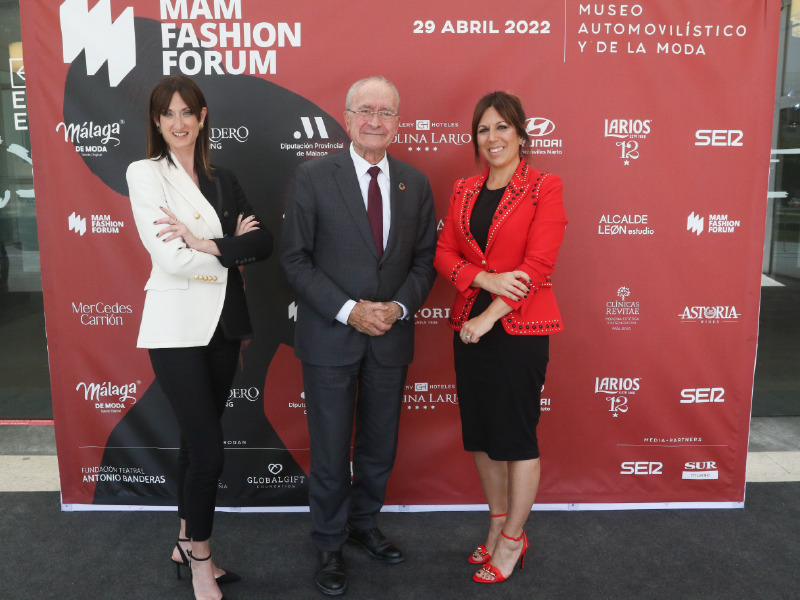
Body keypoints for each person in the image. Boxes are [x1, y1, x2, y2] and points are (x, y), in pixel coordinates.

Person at [280, 76, 437, 596]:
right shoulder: (313, 176)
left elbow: (424, 262)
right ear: (347, 118)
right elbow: (295, 260)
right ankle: (328, 543)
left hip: (390, 337)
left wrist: (396, 307)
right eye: (366, 110)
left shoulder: (415, 182)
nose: (375, 120)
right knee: (329, 450)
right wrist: (350, 312)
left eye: (386, 112)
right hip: (330, 337)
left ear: (398, 123)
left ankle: (363, 524)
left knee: (379, 446)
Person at [126, 75, 273, 600]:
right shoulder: (146, 173)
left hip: (223, 326)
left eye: (187, 111)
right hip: (175, 327)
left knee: (195, 440)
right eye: (168, 113)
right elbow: (170, 258)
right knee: (209, 452)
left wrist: (205, 243)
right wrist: (227, 247)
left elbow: (263, 243)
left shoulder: (222, 178)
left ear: (203, 116)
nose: (179, 122)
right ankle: (202, 562)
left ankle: (183, 541)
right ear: (156, 120)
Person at [433, 91, 567, 584]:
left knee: (515, 437)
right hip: (468, 329)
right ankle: (496, 524)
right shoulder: (464, 189)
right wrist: (485, 279)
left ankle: (513, 540)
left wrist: (489, 316)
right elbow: (444, 253)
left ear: (521, 134)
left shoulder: (544, 186)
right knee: (483, 437)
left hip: (517, 328)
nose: (492, 137)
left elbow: (539, 265)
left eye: (502, 127)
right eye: (483, 129)